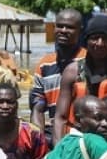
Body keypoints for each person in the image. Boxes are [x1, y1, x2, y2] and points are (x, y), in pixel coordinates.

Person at [53, 14, 107, 145]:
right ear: (86, 40)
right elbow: (60, 118)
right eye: (94, 38)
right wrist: (59, 151)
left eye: (105, 38)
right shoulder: (72, 71)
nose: (100, 43)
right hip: (81, 141)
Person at [29, 9, 87, 138]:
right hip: (53, 131)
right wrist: (39, 142)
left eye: (70, 27)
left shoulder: (87, 61)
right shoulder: (44, 64)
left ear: (80, 30)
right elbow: (37, 107)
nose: (64, 30)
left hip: (80, 132)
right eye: (60, 26)